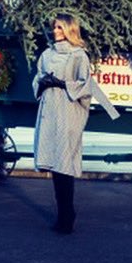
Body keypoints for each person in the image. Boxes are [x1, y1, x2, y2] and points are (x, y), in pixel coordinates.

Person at [32, 13, 94, 234]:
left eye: (59, 28)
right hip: (50, 111)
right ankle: (63, 212)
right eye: (54, 27)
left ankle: (67, 214)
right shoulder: (47, 55)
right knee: (55, 164)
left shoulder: (79, 56)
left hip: (68, 112)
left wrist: (61, 82)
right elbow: (37, 78)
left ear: (70, 30)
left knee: (65, 162)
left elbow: (85, 85)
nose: (55, 31)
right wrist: (43, 82)